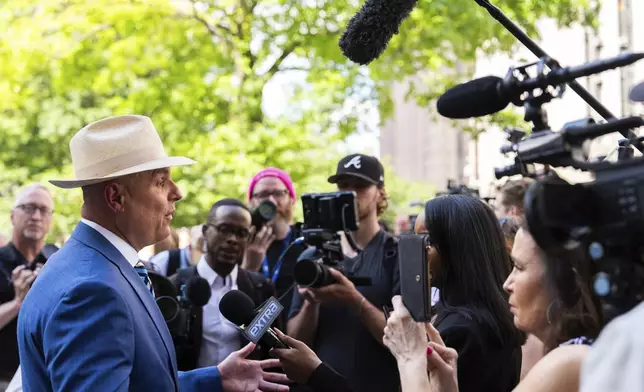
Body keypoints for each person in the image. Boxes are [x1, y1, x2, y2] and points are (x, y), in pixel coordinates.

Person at [17, 114, 289, 391]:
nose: (178, 192)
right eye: (160, 181)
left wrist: (213, 379)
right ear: (116, 197)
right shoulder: (93, 291)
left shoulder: (85, 265)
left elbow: (138, 382)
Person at [385, 216, 603, 392]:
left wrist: (410, 359)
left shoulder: (568, 362)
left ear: (567, 280)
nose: (508, 283)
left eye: (519, 266)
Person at [287, 153, 400, 392]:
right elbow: (296, 343)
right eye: (343, 186)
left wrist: (354, 299)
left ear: (380, 192)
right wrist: (311, 304)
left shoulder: (396, 254)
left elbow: (406, 341)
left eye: (360, 187)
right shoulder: (311, 257)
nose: (349, 194)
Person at [171, 198, 278, 370]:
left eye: (241, 233)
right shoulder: (176, 286)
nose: (232, 239)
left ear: (249, 238)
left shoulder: (261, 289)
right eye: (224, 229)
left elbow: (272, 350)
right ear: (206, 232)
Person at [0, 183, 56, 388]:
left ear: (51, 219)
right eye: (29, 207)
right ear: (12, 216)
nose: (36, 216)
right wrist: (17, 303)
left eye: (43, 210)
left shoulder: (57, 261)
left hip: (48, 374)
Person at [244, 167, 302, 315]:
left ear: (291, 199)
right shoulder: (239, 242)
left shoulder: (304, 241)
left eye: (278, 193)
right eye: (263, 194)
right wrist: (249, 268)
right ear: (251, 202)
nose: (271, 201)